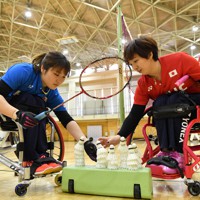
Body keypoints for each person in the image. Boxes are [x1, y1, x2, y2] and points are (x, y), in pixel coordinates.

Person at [98, 36, 200, 174]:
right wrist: (118, 137)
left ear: (150, 54)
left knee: (174, 99)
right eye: (131, 64)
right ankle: (166, 152)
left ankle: (178, 153)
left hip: (195, 107)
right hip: (173, 108)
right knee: (160, 101)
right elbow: (136, 113)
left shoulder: (180, 60)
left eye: (136, 61)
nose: (134, 67)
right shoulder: (143, 84)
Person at [0, 51, 96, 175]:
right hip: (5, 113)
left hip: (25, 116)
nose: (59, 80)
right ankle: (29, 159)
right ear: (43, 68)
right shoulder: (22, 71)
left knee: (42, 107)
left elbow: (66, 119)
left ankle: (41, 156)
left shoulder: (51, 92)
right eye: (56, 74)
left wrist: (84, 141)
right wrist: (17, 114)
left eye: (63, 77)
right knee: (32, 99)